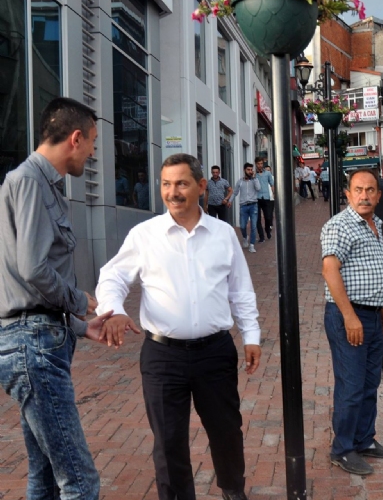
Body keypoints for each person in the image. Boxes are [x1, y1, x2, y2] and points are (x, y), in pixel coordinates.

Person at [95, 153, 261, 500]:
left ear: (201, 186)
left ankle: (233, 490)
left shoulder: (223, 234)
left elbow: (240, 289)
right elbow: (112, 277)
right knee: (169, 441)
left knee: (227, 431)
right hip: (162, 356)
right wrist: (114, 310)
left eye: (181, 183)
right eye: (166, 184)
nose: (172, 192)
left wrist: (252, 336)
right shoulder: (145, 235)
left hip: (215, 352)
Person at [0, 97, 116, 499]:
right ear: (76, 137)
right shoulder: (30, 181)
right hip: (33, 346)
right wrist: (80, 300)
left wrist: (82, 328)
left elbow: (26, 279)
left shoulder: (32, 182)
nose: (93, 152)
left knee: (45, 475)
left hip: (36, 340)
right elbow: (32, 269)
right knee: (80, 481)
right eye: (93, 142)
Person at [320, 168, 383, 476]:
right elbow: (330, 271)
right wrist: (350, 316)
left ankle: (364, 440)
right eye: (358, 190)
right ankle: (342, 449)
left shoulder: (375, 224)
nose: (364, 195)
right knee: (351, 386)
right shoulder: (341, 226)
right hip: (348, 316)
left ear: (378, 195)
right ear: (348, 194)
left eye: (370, 190)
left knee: (368, 383)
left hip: (371, 313)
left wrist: (382, 305)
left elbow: (369, 269)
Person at [232, 162, 261, 253]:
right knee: (242, 226)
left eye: (251, 170)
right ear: (244, 170)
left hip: (253, 205)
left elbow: (258, 188)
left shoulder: (254, 180)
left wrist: (255, 178)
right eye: (248, 170)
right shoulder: (240, 182)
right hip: (243, 206)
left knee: (253, 226)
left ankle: (252, 245)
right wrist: (229, 201)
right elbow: (235, 192)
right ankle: (245, 237)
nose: (250, 171)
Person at [254, 157, 274, 242]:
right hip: (256, 198)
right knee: (257, 219)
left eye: (261, 163)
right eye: (258, 164)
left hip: (266, 198)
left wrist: (273, 193)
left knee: (268, 217)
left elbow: (272, 184)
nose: (260, 165)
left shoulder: (268, 173)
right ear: (256, 164)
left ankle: (267, 230)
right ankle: (261, 236)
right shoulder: (254, 174)